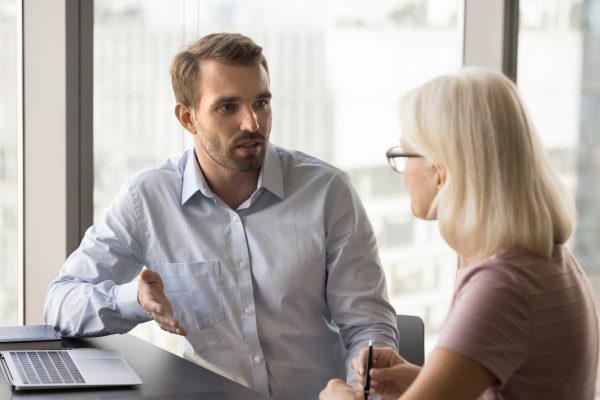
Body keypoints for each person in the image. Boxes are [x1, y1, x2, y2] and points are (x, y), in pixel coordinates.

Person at [43, 33, 398, 400]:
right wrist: (133, 299)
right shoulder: (147, 199)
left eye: (261, 102)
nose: (252, 123)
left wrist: (361, 393)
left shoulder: (327, 192)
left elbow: (368, 326)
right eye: (228, 107)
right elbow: (61, 301)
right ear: (187, 117)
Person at [320, 68, 600, 400]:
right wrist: (419, 381)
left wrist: (338, 396)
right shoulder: (546, 261)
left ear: (441, 172)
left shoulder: (502, 287)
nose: (403, 172)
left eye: (404, 154)